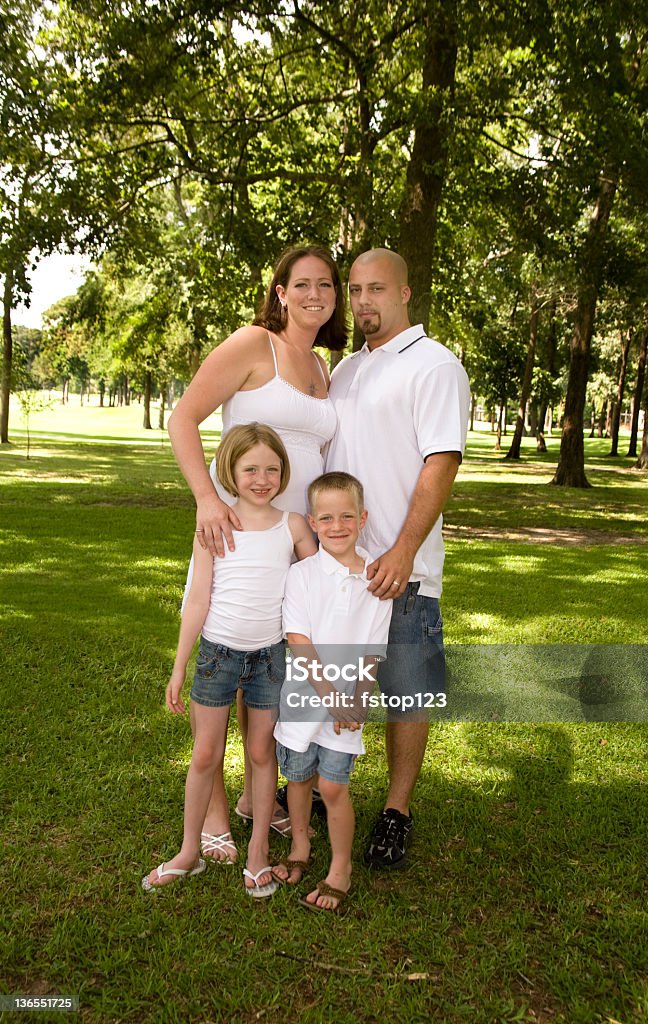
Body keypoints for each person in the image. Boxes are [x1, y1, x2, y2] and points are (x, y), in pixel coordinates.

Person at [166, 246, 346, 857]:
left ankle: (253, 798)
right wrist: (205, 502)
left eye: (327, 284)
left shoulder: (323, 367)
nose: (315, 294)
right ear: (280, 291)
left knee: (268, 665)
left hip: (292, 544)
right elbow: (183, 417)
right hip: (233, 531)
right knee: (222, 656)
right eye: (303, 283)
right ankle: (214, 810)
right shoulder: (252, 343)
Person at [325, 248, 470, 868]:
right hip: (342, 567)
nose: (363, 301)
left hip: (401, 567)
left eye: (376, 289)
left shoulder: (435, 367)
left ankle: (397, 809)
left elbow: (443, 461)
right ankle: (319, 783)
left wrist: (403, 549)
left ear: (406, 294)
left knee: (407, 691)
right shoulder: (345, 370)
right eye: (355, 290)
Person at [142, 423, 317, 896]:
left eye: (272, 469)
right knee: (205, 754)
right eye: (250, 468)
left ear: (283, 474)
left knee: (262, 754)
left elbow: (316, 582)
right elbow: (198, 598)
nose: (262, 478)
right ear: (230, 471)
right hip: (217, 655)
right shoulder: (215, 524)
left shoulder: (293, 526)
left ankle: (257, 849)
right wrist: (180, 664)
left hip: (268, 658)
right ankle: (188, 851)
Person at [273, 472, 393, 911]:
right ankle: (301, 847)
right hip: (305, 698)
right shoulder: (302, 575)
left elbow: (372, 652)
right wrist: (328, 695)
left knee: (334, 784)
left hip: (347, 706)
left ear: (362, 518)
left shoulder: (377, 581)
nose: (337, 525)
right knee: (299, 778)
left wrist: (358, 698)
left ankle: (340, 867)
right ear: (312, 521)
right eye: (326, 517)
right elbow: (298, 640)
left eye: (346, 516)